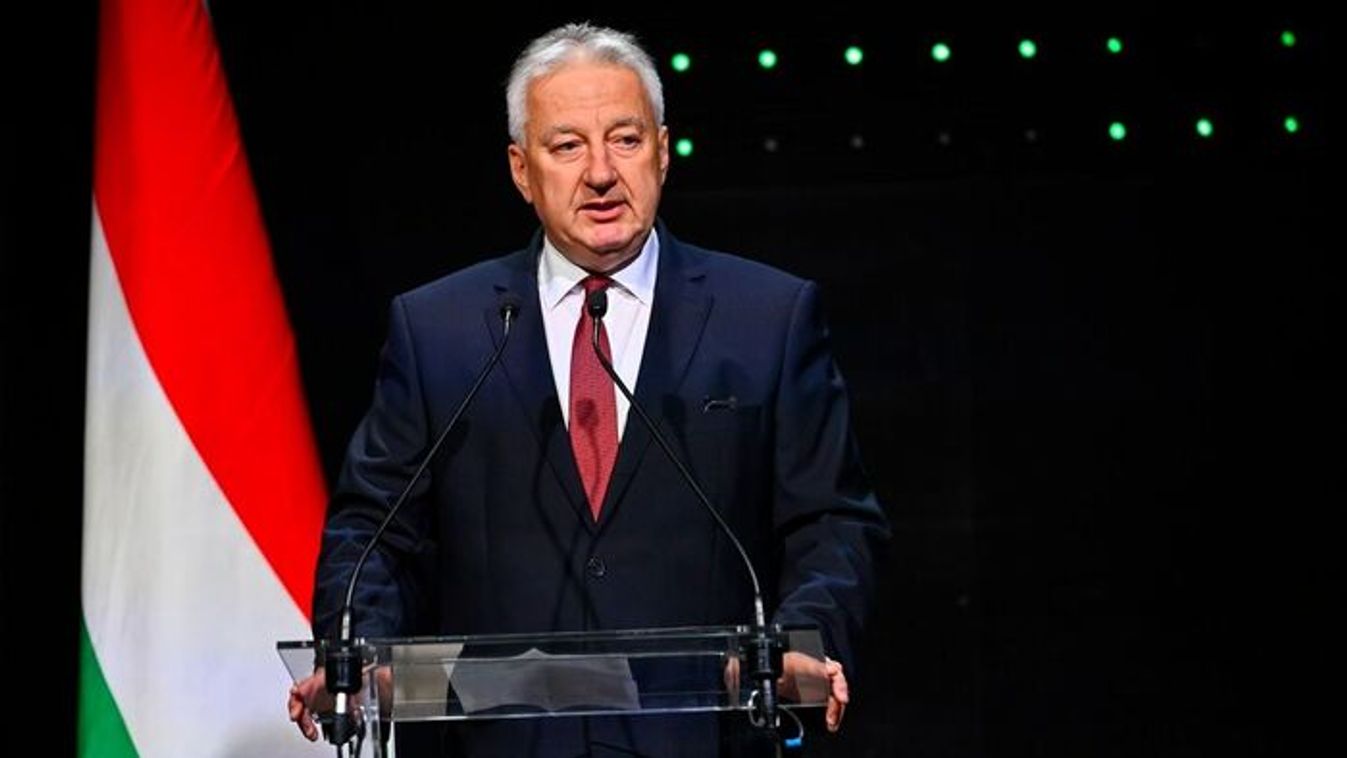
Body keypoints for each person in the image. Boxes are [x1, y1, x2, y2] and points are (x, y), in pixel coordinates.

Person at [289, 22, 889, 757]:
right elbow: (374, 532)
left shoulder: (766, 317)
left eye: (625, 139)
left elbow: (832, 521)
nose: (600, 172)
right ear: (521, 170)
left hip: (702, 738)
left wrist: (803, 638)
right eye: (567, 146)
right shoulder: (439, 330)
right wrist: (354, 650)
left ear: (662, 152)